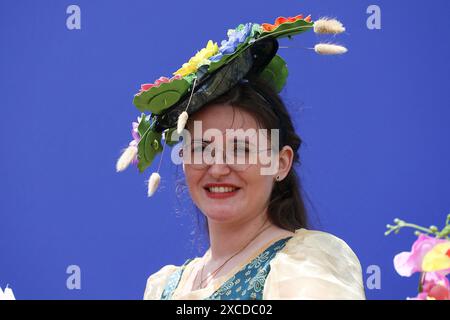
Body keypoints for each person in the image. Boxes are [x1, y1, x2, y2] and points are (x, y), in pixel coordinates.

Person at [116, 13, 365, 299]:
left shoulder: (307, 263)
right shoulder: (163, 286)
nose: (218, 168)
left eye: (240, 149)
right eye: (201, 148)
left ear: (280, 163)